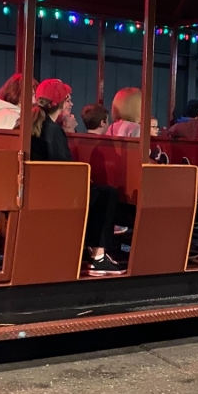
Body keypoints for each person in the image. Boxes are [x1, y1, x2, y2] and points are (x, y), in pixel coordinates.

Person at [31, 79, 124, 275]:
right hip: (56, 192)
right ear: (59, 103)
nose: (71, 103)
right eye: (68, 99)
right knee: (108, 194)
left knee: (96, 192)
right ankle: (98, 257)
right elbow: (64, 169)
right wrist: (83, 178)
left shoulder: (35, 124)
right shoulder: (53, 131)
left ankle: (92, 247)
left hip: (40, 188)